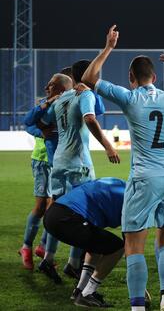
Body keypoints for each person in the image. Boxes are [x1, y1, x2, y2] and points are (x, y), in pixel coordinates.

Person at [82, 25, 164, 311]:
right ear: (155, 77)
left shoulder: (129, 98)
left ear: (131, 78)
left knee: (134, 246)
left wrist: (108, 47)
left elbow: (89, 78)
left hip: (144, 178)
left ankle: (138, 306)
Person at [35, 60, 117, 283]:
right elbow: (90, 118)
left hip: (59, 163)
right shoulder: (83, 95)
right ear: (89, 75)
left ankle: (48, 259)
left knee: (57, 213)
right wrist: (108, 146)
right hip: (77, 164)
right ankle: (73, 264)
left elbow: (41, 122)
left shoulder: (61, 99)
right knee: (83, 215)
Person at [43, 178, 126, 307]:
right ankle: (88, 293)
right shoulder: (128, 197)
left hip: (54, 213)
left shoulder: (116, 183)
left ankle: (80, 291)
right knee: (118, 248)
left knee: (97, 245)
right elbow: (129, 238)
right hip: (68, 217)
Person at [18, 89, 60, 270]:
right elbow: (28, 124)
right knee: (41, 206)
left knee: (55, 207)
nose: (48, 88)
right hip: (42, 160)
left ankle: (42, 247)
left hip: (59, 161)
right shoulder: (44, 103)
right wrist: (40, 133)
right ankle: (26, 246)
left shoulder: (69, 100)